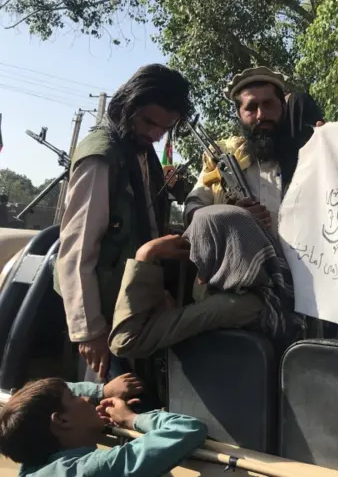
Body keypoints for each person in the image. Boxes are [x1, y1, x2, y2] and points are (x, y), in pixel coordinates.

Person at [55, 64, 193, 381]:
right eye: (148, 122)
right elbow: (77, 251)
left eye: (164, 127)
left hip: (131, 305)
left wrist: (155, 293)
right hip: (100, 315)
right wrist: (88, 330)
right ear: (126, 104)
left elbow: (146, 227)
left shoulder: (141, 152)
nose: (155, 134)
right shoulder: (101, 156)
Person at [107, 206, 295, 359]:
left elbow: (125, 342)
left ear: (225, 249)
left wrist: (145, 254)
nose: (194, 258)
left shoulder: (233, 305)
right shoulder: (258, 296)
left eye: (201, 248)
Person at [183, 66, 324, 232]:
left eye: (268, 104)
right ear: (238, 113)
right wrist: (230, 216)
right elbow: (191, 211)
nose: (261, 115)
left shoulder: (308, 157)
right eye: (251, 107)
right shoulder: (222, 158)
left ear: (283, 107)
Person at [0, 374, 206, 476]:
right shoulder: (95, 469)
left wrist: (103, 392)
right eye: (75, 397)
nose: (87, 399)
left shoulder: (33, 466)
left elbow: (47, 394)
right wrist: (131, 419)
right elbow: (186, 429)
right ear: (62, 420)